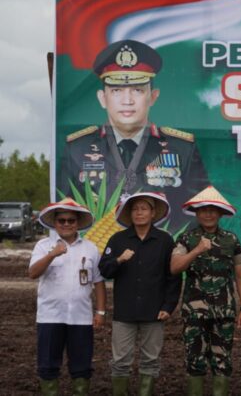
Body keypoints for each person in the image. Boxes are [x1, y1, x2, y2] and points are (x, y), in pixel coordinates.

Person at [60, 39, 209, 232]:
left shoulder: (181, 148)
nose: (127, 100)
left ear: (153, 96)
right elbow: (65, 210)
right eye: (116, 91)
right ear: (102, 98)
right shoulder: (78, 147)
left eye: (137, 90)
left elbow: (200, 209)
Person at [170, 186, 241, 396]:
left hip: (224, 311)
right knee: (194, 361)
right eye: (204, 210)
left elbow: (240, 275)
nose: (208, 214)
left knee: (222, 360)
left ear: (221, 213)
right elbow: (175, 267)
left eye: (213, 210)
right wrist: (196, 251)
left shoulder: (231, 240)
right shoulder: (186, 239)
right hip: (194, 311)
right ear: (197, 213)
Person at [98, 192, 181, 396]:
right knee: (119, 361)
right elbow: (104, 269)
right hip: (124, 312)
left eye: (144, 209)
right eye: (135, 209)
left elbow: (173, 277)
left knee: (151, 361)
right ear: (129, 214)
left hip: (154, 311)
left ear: (153, 213)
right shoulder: (118, 240)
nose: (139, 213)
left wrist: (168, 306)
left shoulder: (164, 240)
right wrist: (118, 260)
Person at [28, 198, 106, 396]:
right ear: (55, 223)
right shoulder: (43, 246)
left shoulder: (90, 248)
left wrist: (101, 311)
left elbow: (98, 282)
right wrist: (52, 255)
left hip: (81, 317)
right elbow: (33, 273)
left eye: (71, 220)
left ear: (78, 223)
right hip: (50, 316)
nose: (66, 224)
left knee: (81, 367)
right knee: (47, 365)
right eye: (61, 220)